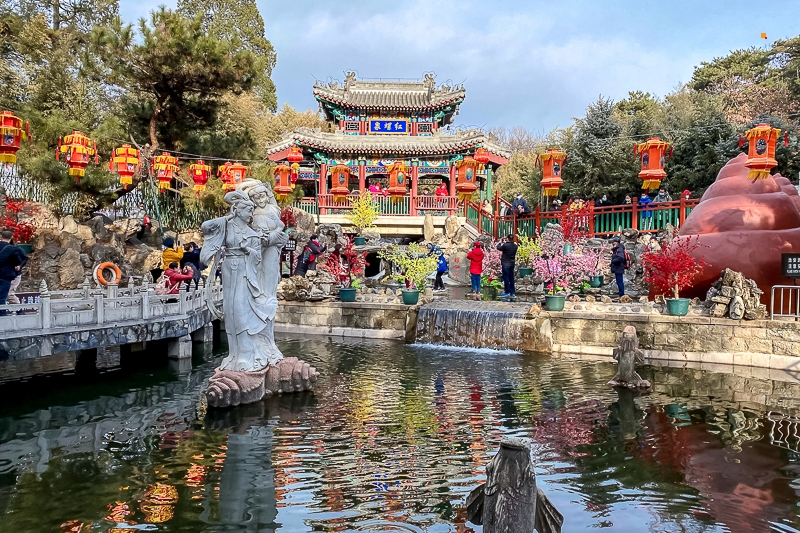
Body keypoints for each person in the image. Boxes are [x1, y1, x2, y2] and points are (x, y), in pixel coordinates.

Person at [0, 229, 26, 314]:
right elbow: (19, 261)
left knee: (7, 295)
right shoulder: (13, 249)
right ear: (12, 237)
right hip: (7, 276)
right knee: (4, 296)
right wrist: (18, 265)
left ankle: (18, 311)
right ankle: (4, 314)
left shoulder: (14, 248)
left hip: (8, 275)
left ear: (1, 236)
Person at [496, 234, 518, 298]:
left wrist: (500, 242)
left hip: (505, 264)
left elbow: (498, 247)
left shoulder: (505, 246)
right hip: (512, 264)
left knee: (506, 278)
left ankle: (507, 292)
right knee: (511, 278)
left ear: (507, 238)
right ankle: (512, 292)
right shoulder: (515, 246)